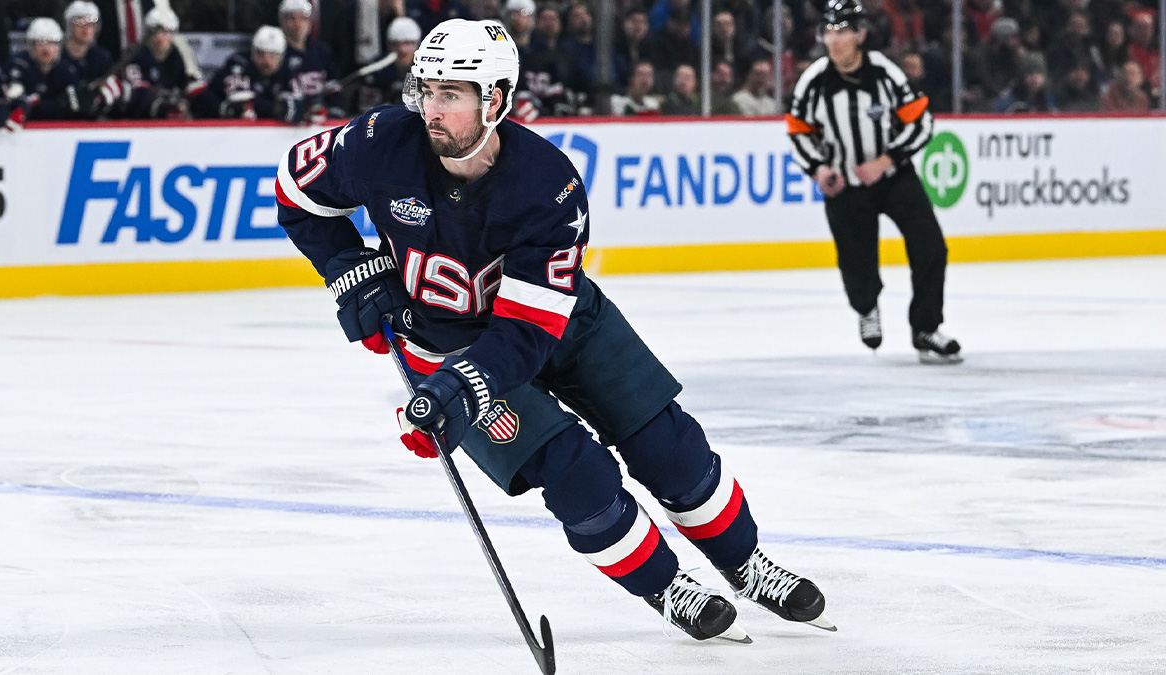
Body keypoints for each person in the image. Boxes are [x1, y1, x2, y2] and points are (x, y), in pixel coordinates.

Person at [275, 17, 835, 641]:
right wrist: (348, 268)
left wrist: (467, 386)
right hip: (443, 341)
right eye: (427, 90)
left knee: (668, 447)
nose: (432, 109)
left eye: (451, 94)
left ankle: (745, 563)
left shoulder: (548, 183)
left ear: (496, 100)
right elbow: (296, 190)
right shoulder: (380, 142)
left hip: (555, 322)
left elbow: (527, 326)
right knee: (576, 476)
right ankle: (665, 585)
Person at [787, 0, 962, 364]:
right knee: (856, 259)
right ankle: (867, 307)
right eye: (829, 32)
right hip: (844, 185)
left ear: (860, 35)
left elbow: (921, 123)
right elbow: (798, 133)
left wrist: (886, 160)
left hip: (893, 178)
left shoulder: (885, 73)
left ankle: (926, 327)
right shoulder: (813, 81)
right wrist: (819, 169)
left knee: (931, 246)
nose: (834, 40)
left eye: (842, 31)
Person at [192, 26, 293, 121]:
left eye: (272, 55)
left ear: (281, 57)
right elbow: (205, 98)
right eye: (260, 53)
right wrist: (223, 108)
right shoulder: (238, 66)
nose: (266, 61)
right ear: (253, 52)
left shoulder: (287, 74)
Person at [121, 7, 203, 119]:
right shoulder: (135, 56)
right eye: (162, 32)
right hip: (141, 122)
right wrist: (161, 108)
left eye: (170, 32)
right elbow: (138, 95)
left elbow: (194, 87)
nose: (166, 37)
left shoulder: (177, 58)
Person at [279, 0, 346, 121]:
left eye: (303, 19)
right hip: (287, 123)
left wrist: (334, 111)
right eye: (292, 18)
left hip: (320, 120)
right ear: (282, 21)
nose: (297, 24)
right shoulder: (277, 53)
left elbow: (333, 88)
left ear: (310, 22)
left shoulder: (322, 51)